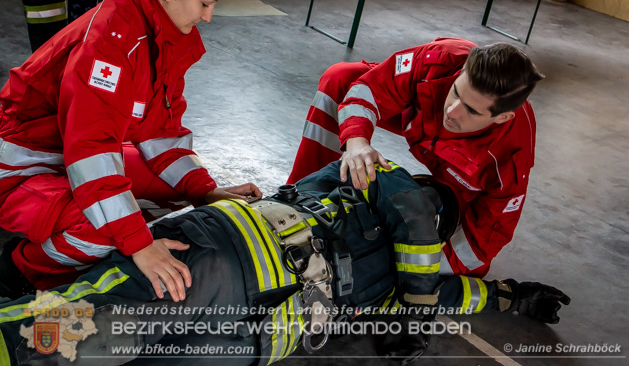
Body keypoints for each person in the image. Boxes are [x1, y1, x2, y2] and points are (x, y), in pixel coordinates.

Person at [0, 160, 570, 365]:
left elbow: (451, 294)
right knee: (50, 339)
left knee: (62, 340)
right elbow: (418, 228)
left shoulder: (410, 277)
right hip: (221, 279)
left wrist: (510, 296)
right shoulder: (375, 180)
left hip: (239, 320)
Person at [0, 0, 262, 301]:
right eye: (205, 3)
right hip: (20, 166)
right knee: (110, 228)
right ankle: (20, 269)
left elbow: (163, 130)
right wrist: (139, 244)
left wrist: (205, 191)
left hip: (65, 153)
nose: (209, 17)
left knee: (169, 198)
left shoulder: (162, 33)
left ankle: (75, 237)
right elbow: (91, 149)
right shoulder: (113, 38)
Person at [287, 38, 544, 278]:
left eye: (471, 110)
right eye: (455, 92)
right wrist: (356, 142)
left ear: (502, 117)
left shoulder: (509, 157)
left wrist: (410, 273)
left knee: (465, 263)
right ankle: (297, 200)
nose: (452, 111)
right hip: (417, 120)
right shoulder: (439, 61)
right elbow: (371, 88)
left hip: (462, 169)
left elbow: (485, 240)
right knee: (340, 79)